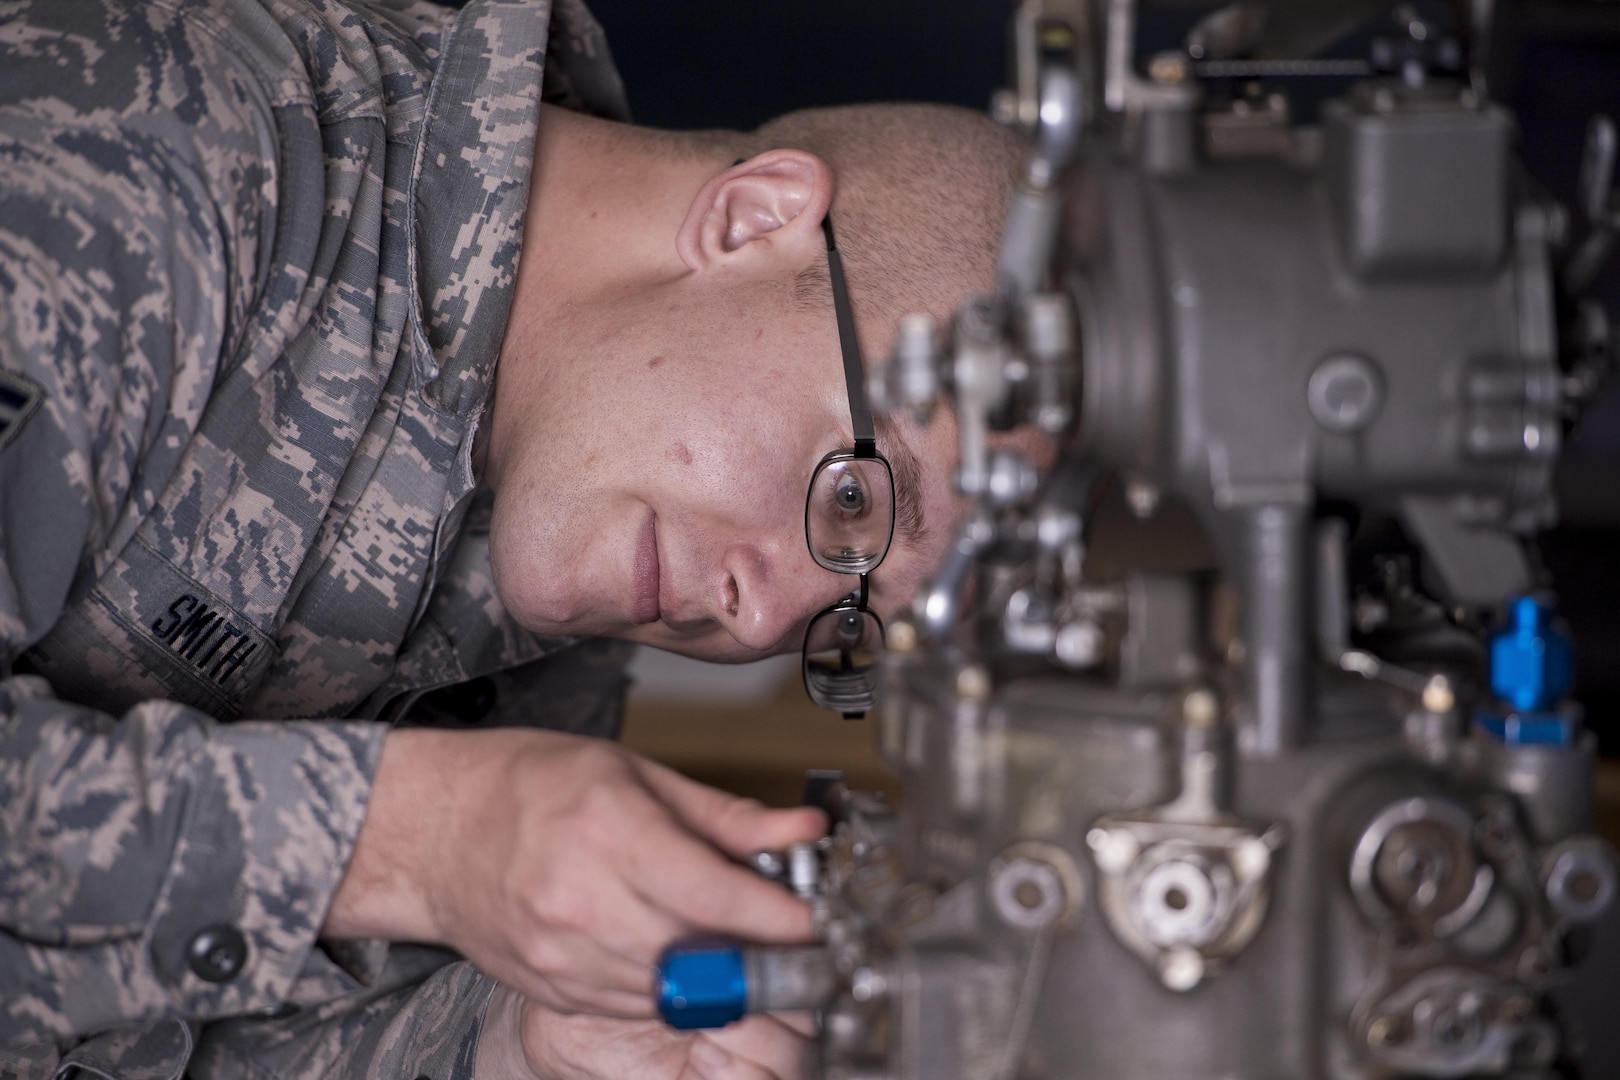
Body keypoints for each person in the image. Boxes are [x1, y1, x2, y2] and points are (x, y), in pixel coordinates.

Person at [0, 0, 1019, 1077]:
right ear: (754, 219)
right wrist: (412, 841)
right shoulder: (161, 140)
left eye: (848, 619)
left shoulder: (572, 549)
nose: (763, 615)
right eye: (854, 502)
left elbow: (158, 1031)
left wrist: (508, 1043)